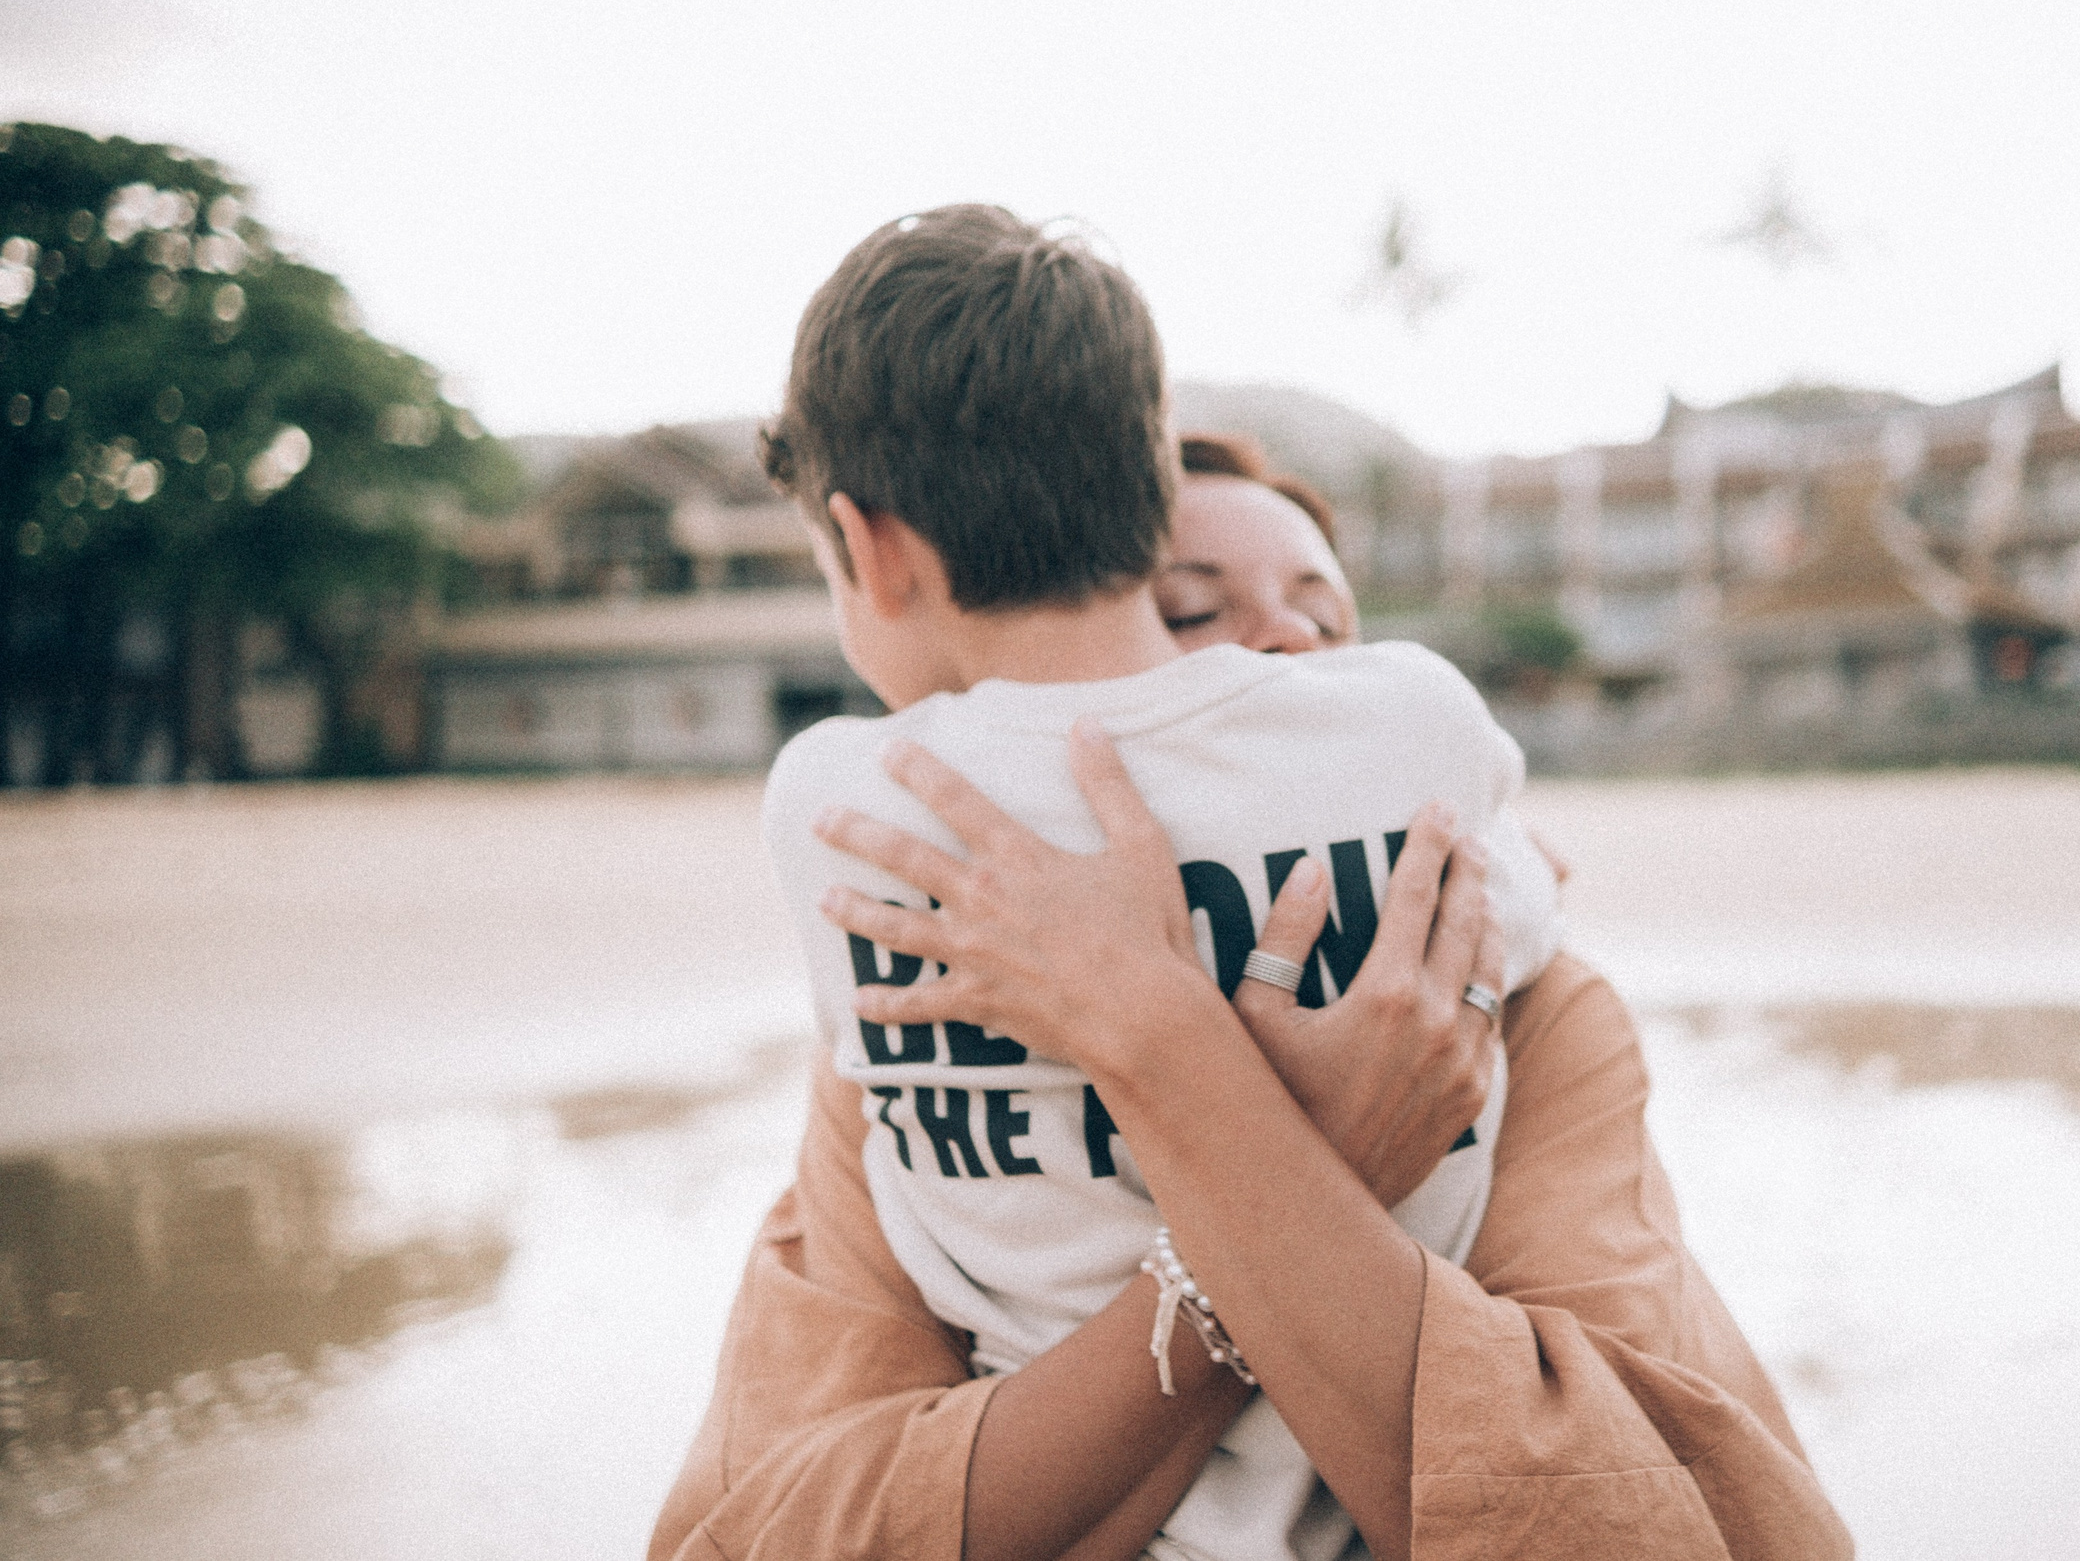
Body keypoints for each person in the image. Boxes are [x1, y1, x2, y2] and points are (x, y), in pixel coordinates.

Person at [652, 208, 1850, 1560]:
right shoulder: (898, 1033)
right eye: (1193, 618)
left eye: (1321, 619)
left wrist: (1172, 1052)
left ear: (870, 548)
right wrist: (1300, 1163)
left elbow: (1621, 1517)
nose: (1276, 645)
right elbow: (798, 1520)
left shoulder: (1536, 1018)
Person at [751, 205, 1560, 1561]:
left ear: (870, 545)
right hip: (1391, 1469)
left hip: (1059, 1484)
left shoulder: (834, 807)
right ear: (1146, 482)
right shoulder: (1414, 724)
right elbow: (1527, 920)